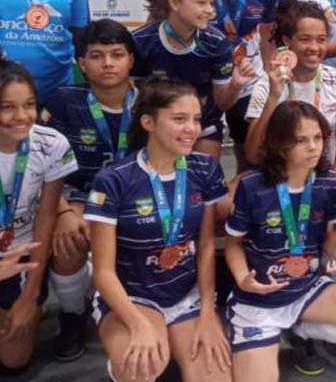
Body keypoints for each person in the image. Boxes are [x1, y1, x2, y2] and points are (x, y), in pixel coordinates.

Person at [84, 78, 231, 382]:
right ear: (148, 122)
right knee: (142, 368)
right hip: (134, 295)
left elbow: (205, 248)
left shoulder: (204, 168)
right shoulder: (114, 180)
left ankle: (173, 346)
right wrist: (137, 323)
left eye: (196, 119)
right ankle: (131, 358)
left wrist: (207, 313)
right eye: (179, 119)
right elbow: (103, 273)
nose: (192, 128)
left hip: (185, 295)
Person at [225, 101, 336, 380]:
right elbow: (234, 244)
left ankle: (301, 329)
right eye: (301, 140)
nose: (313, 147)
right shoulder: (252, 186)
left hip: (307, 289)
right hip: (260, 299)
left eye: (318, 137)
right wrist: (242, 278)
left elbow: (329, 238)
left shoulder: (329, 183)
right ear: (279, 144)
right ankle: (259, 334)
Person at [43, 19, 137, 361]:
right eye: (97, 56)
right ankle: (72, 314)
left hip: (136, 195)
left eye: (117, 54)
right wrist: (65, 211)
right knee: (67, 240)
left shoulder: (149, 101)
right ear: (82, 64)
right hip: (83, 195)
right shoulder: (66, 100)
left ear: (131, 60)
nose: (108, 63)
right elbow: (46, 165)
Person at [133, 0, 257, 158]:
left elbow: (222, 103)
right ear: (175, 3)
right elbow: (134, 99)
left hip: (203, 126)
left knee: (204, 182)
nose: (210, 10)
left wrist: (236, 85)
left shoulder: (217, 43)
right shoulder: (140, 42)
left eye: (211, 3)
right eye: (201, 3)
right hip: (156, 128)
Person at [0, 60, 77, 374]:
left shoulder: (51, 144)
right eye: (6, 107)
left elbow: (46, 217)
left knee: (14, 359)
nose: (21, 117)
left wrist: (30, 296)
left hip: (20, 259)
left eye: (29, 105)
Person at [202, 0, 281, 173]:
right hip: (205, 79)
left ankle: (241, 201)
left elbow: (269, 36)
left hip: (247, 75)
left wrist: (271, 77)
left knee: (247, 149)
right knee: (203, 158)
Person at [245, 0, 336, 179]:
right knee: (228, 200)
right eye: (305, 39)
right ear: (287, 41)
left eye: (321, 40)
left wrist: (335, 179)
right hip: (277, 176)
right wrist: (274, 96)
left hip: (321, 174)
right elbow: (252, 154)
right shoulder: (268, 84)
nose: (314, 47)